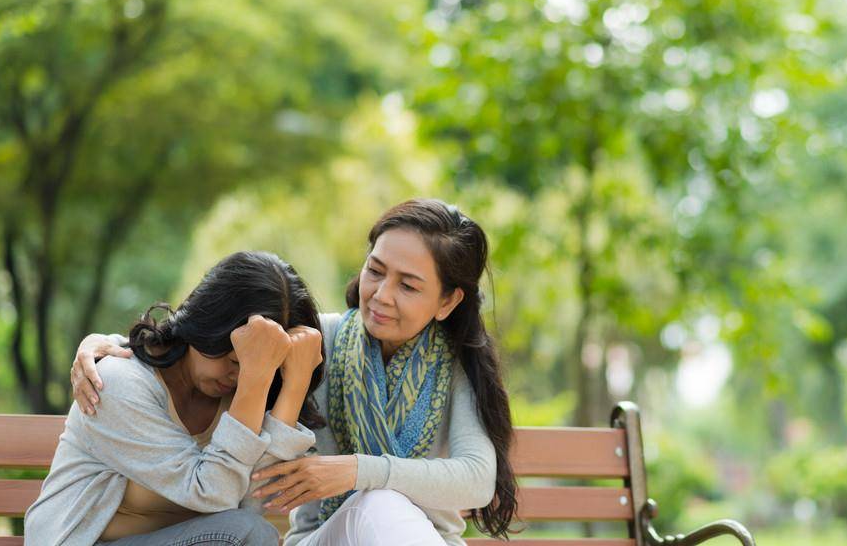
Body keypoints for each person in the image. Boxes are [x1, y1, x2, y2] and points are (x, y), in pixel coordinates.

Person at [72, 199, 517, 545]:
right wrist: (104, 345)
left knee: (380, 500)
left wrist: (356, 471)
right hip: (325, 537)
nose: (381, 295)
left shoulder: (456, 367)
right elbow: (215, 326)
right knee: (377, 505)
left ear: (448, 301)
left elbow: (478, 480)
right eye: (375, 271)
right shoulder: (317, 341)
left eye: (408, 285)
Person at [31, 251, 325, 545]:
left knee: (251, 529)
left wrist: (294, 386)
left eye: (263, 370)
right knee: (250, 533)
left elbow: (251, 503)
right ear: (208, 325)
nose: (238, 378)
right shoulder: (116, 383)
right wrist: (255, 378)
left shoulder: (243, 393)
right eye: (236, 362)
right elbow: (214, 494)